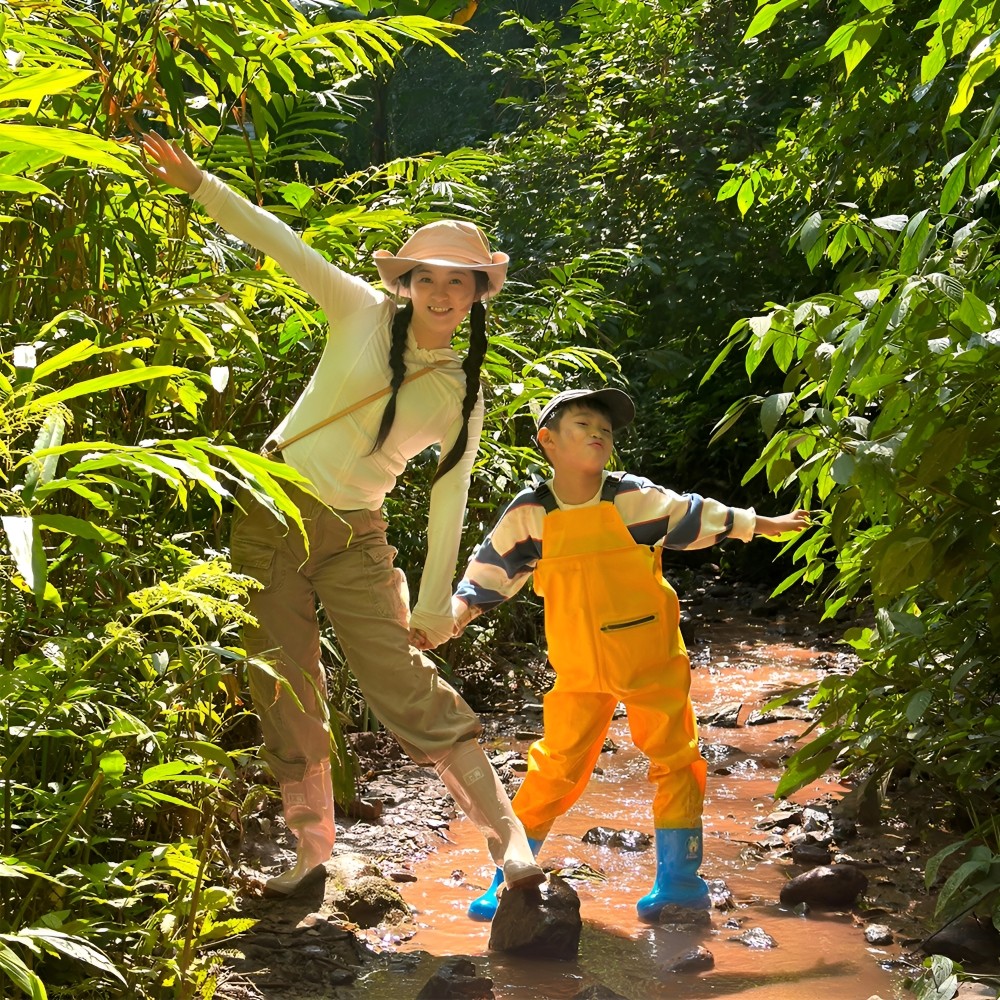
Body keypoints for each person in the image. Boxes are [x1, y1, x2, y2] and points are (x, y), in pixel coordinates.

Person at [140, 131, 544, 900]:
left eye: (461, 283)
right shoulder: (359, 310)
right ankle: (310, 852)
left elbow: (448, 495)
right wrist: (200, 185)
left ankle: (509, 840)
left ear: (477, 294)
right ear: (409, 282)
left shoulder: (465, 389)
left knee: (404, 681)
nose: (443, 293)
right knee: (286, 685)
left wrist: (433, 605)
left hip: (357, 535)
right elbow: (282, 243)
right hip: (271, 514)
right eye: (430, 278)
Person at [446, 386, 810, 921]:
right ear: (548, 441)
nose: (599, 434)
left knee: (675, 758)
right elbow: (488, 576)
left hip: (650, 657)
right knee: (553, 767)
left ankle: (680, 881)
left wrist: (760, 524)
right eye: (584, 425)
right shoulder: (533, 512)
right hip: (576, 667)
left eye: (607, 429)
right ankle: (509, 876)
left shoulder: (629, 498)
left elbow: (694, 515)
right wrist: (451, 617)